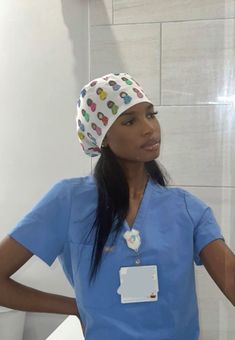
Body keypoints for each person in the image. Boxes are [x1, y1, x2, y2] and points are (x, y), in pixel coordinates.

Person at [0, 72, 234, 340]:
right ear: (103, 137)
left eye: (151, 114)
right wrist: (75, 307)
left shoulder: (188, 210)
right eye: (130, 121)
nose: (149, 128)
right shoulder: (68, 201)